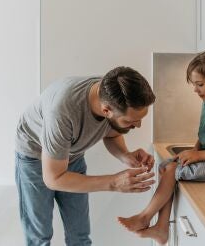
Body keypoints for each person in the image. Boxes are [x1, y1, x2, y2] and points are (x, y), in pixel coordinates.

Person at [117, 50, 205, 244]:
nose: (195, 89)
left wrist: (198, 156)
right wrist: (194, 152)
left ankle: (145, 218)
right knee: (165, 166)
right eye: (194, 84)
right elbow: (204, 138)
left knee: (172, 170)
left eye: (200, 84)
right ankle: (161, 227)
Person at [15, 66, 157, 246]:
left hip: (72, 156)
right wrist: (114, 182)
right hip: (34, 157)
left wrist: (125, 155)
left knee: (80, 234)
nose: (138, 125)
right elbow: (53, 178)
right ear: (106, 110)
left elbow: (111, 132)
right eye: (130, 121)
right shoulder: (62, 112)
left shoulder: (112, 91)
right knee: (39, 236)